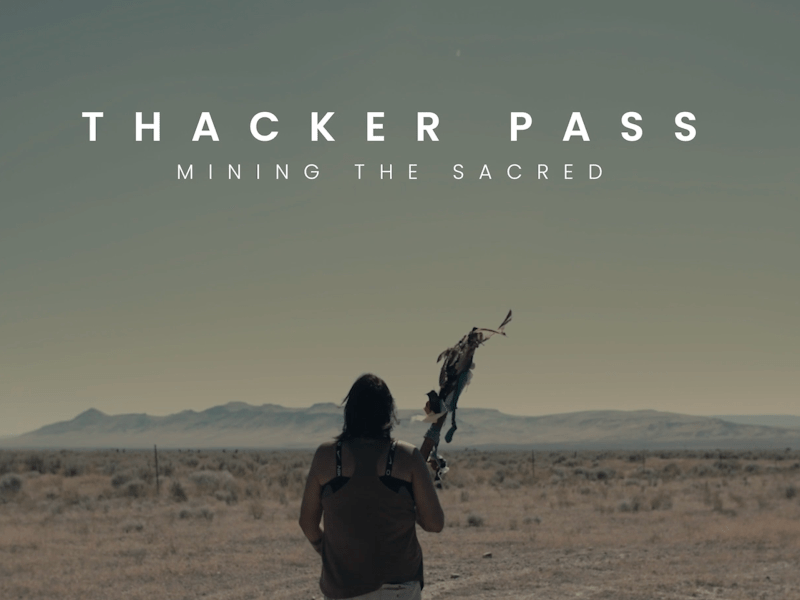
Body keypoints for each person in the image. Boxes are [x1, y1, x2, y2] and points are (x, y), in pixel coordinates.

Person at [299, 373, 445, 600]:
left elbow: (307, 522)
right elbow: (434, 523)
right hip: (399, 589)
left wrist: (326, 551)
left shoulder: (326, 457)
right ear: (388, 412)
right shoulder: (407, 457)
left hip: (343, 589)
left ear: (350, 411)